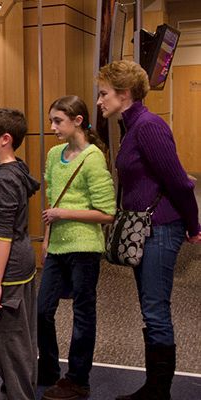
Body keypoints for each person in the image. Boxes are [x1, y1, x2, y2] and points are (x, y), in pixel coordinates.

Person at [97, 60, 201, 400]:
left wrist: (193, 225)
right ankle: (154, 388)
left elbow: (178, 183)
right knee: (150, 308)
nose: (99, 101)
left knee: (155, 310)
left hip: (160, 229)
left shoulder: (148, 127)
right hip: (148, 229)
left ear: (124, 94)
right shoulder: (133, 126)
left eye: (104, 94)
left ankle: (158, 391)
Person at [37, 95, 116, 399]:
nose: (53, 127)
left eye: (58, 121)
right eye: (51, 121)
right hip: (57, 247)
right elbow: (50, 204)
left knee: (83, 313)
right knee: (43, 310)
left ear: (77, 121)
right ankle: (49, 369)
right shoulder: (54, 154)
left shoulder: (93, 157)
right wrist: (46, 240)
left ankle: (78, 378)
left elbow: (106, 213)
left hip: (85, 248)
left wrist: (64, 214)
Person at [0, 108, 40, 399]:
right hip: (21, 264)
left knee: (9, 345)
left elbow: (4, 234)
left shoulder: (5, 179)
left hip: (11, 273)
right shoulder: (17, 169)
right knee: (22, 341)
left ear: (5, 139)